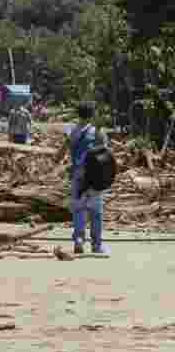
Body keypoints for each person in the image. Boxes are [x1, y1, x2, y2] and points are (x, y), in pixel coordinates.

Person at [56, 102, 109, 255]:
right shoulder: (98, 132)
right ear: (92, 115)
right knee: (96, 211)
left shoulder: (71, 132)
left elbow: (59, 155)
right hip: (94, 176)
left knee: (78, 209)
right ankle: (96, 245)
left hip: (77, 175)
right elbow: (106, 155)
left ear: (78, 114)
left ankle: (79, 239)